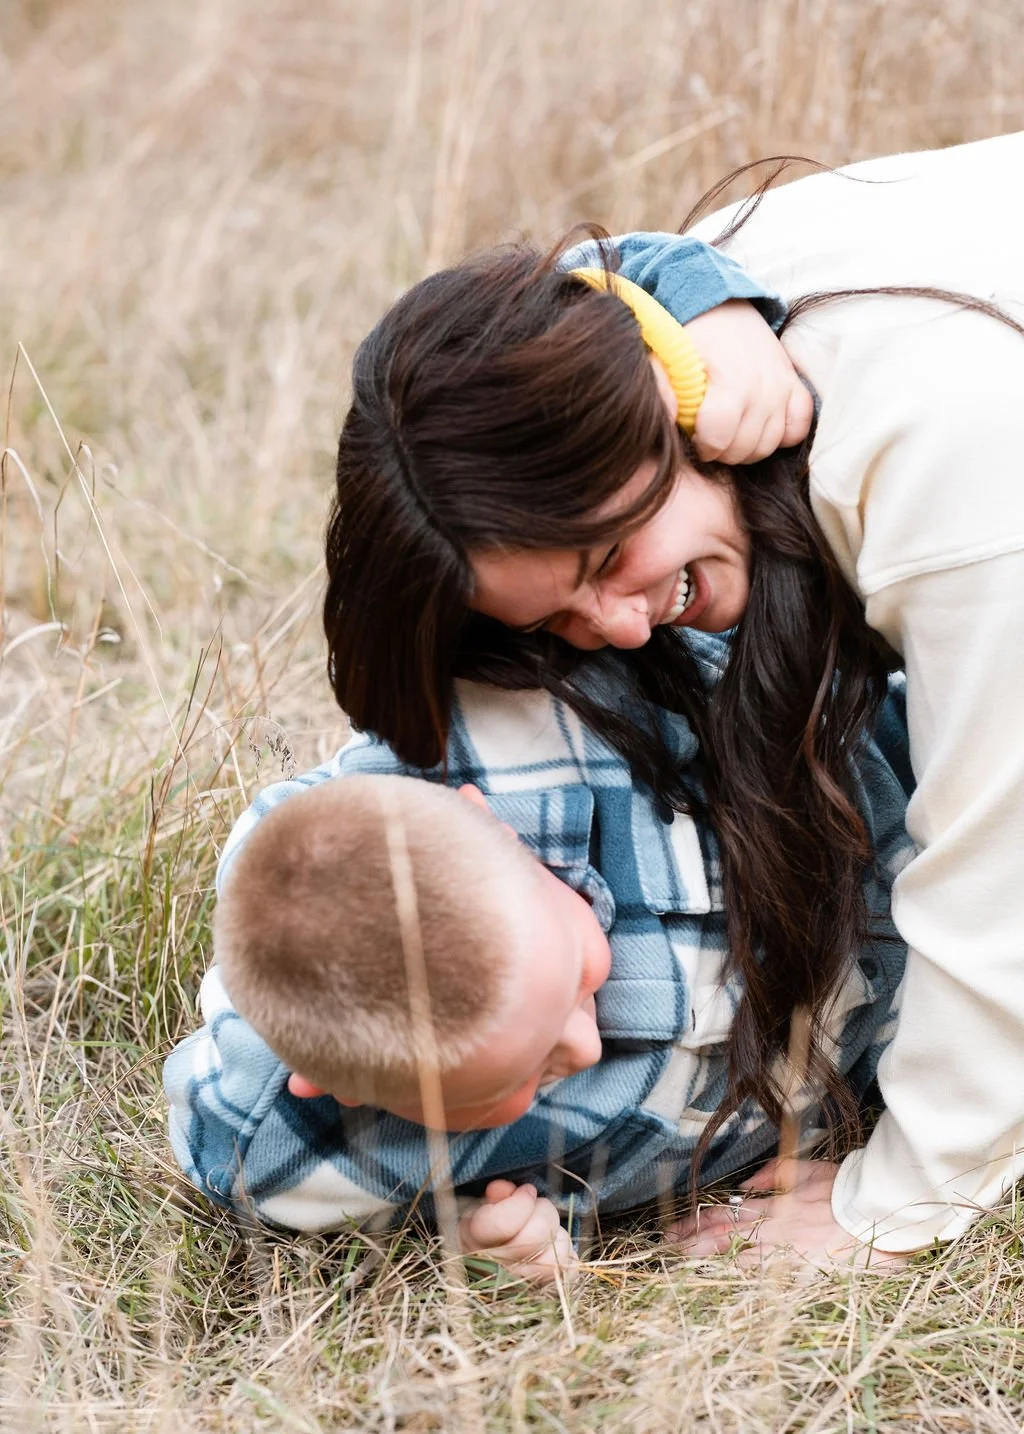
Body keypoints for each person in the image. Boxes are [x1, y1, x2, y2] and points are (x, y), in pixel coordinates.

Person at [321, 129, 1024, 1261]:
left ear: (661, 398)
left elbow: (1005, 867)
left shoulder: (947, 472)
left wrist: (899, 1202)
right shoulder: (701, 313)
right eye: (554, 620)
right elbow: (620, 277)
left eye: (603, 560)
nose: (620, 626)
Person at [164, 643, 913, 1282]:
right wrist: (482, 1237)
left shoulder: (526, 732)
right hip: (897, 1052)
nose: (585, 1046)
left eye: (574, 986)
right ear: (345, 1092)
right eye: (518, 1077)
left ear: (491, 825)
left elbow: (753, 663)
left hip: (903, 786)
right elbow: (223, 1142)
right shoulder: (291, 1148)